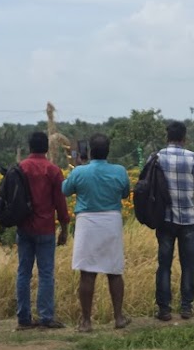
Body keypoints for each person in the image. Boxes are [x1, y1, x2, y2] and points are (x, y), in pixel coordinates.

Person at [60, 133, 131, 332]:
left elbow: (65, 190)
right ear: (108, 151)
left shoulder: (80, 172)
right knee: (114, 271)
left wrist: (74, 169)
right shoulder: (119, 171)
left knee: (87, 273)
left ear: (90, 152)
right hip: (111, 221)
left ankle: (86, 321)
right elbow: (125, 193)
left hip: (87, 222)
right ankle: (118, 317)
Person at [15, 131, 70, 330]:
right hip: (46, 228)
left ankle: (23, 318)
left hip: (23, 226)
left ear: (29, 147)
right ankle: (46, 317)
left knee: (23, 272)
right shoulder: (53, 170)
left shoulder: (20, 168)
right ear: (46, 148)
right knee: (46, 273)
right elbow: (60, 203)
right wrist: (64, 228)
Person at [154, 121, 194, 321]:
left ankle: (164, 309)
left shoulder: (156, 157)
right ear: (184, 138)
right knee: (188, 264)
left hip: (164, 219)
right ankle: (186, 307)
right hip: (188, 219)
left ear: (167, 137)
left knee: (164, 264)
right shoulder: (192, 157)